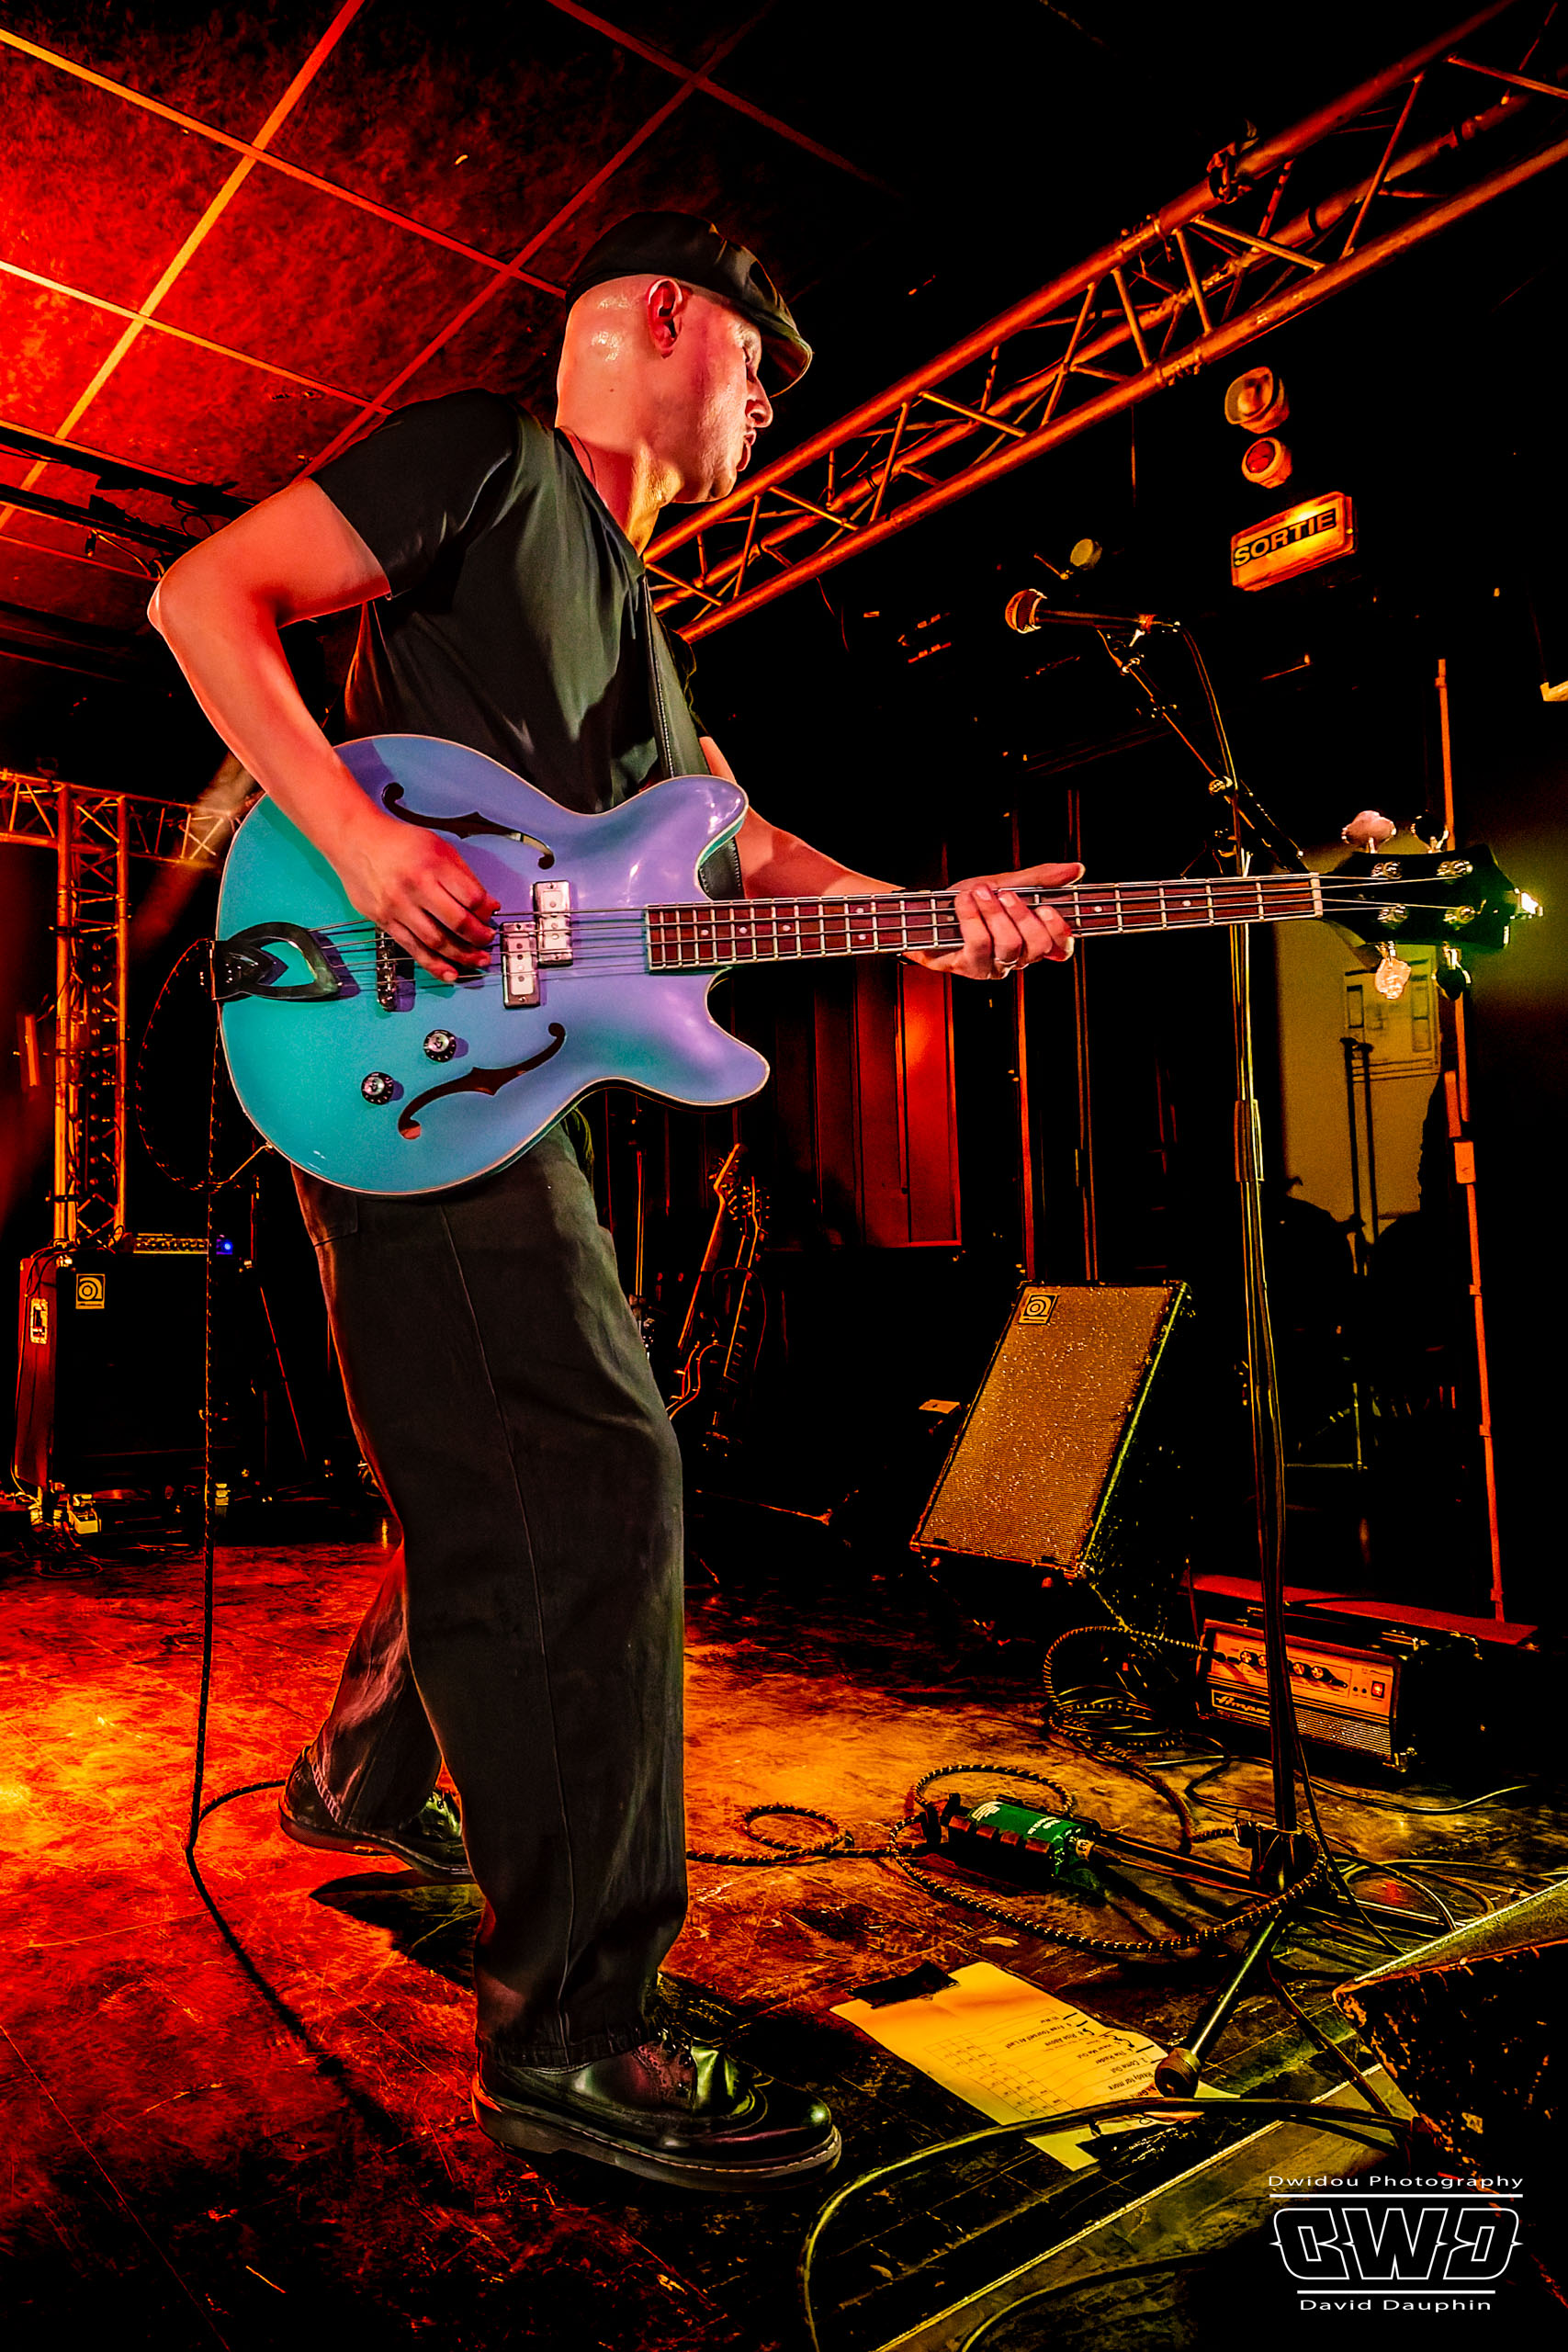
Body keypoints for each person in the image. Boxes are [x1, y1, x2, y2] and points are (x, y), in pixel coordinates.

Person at [149, 212, 1078, 2193]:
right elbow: (199, 594)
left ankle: (360, 1772)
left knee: (494, 1456)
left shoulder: (646, 633)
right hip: (401, 1045)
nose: (769, 407)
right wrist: (359, 838)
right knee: (592, 1471)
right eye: (761, 364)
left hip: (493, 1089)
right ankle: (574, 2034)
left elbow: (742, 847)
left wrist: (928, 918)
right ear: (664, 315)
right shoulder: (488, 459)